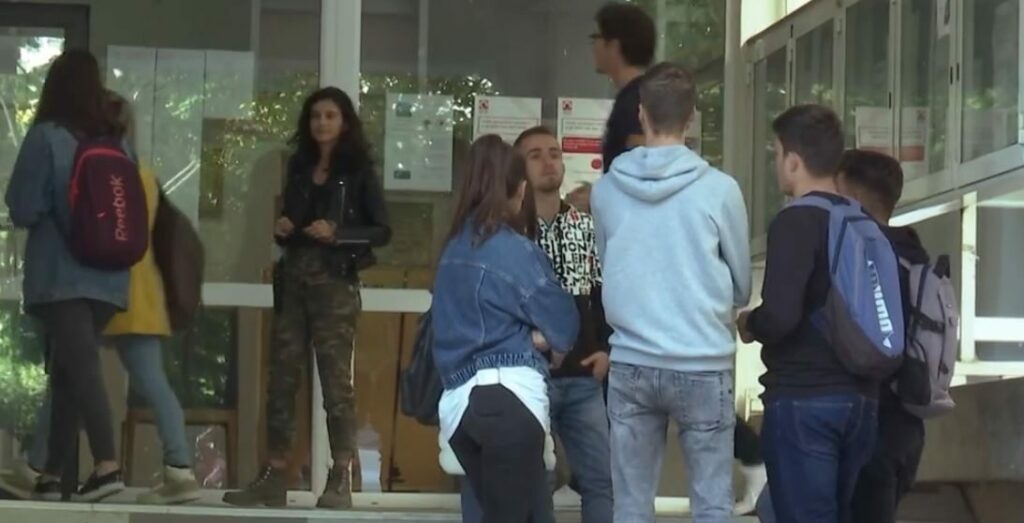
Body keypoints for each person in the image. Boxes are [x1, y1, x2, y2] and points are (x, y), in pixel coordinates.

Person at [5, 92, 201, 505]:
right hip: (138, 295)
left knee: (75, 376)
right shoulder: (137, 170)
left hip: (106, 287)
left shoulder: (102, 167)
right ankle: (177, 467)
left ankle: (55, 468)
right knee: (117, 380)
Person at [593, 62, 751, 522]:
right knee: (712, 503)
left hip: (631, 361)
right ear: (692, 116)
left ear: (641, 114)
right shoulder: (720, 190)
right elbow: (741, 284)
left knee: (631, 504)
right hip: (702, 361)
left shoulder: (607, 191)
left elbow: (607, 262)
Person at [224, 87, 391, 509]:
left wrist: (339, 233)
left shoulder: (358, 171)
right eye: (316, 116)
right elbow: (293, 223)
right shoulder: (299, 166)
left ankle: (340, 475)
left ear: (344, 122)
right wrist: (283, 227)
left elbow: (382, 230)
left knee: (336, 384)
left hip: (333, 283)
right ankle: (275, 473)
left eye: (330, 116)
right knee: (281, 379)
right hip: (294, 279)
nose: (322, 123)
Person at [737, 105, 880, 522]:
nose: (776, 164)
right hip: (862, 398)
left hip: (805, 399)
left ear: (793, 160)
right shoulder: (860, 220)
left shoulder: (796, 219)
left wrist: (750, 323)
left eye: (776, 153)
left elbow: (780, 316)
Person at [5, 49, 131, 502]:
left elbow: (22, 207)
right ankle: (48, 473)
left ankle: (107, 467)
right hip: (110, 277)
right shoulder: (115, 143)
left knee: (82, 369)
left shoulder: (47, 137)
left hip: (63, 277)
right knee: (68, 374)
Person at [433, 135, 579, 523]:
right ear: (519, 189)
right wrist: (534, 338)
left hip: (459, 407)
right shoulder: (514, 249)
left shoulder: (451, 250)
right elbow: (564, 327)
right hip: (510, 398)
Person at [837, 150, 928, 523]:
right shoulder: (914, 255)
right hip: (907, 423)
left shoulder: (867, 257)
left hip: (873, 420)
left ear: (855, 196)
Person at [567, 1, 655, 213]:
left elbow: (645, 174)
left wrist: (599, 198)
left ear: (613, 45)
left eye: (595, 38)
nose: (593, 47)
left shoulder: (636, 101)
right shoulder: (636, 95)